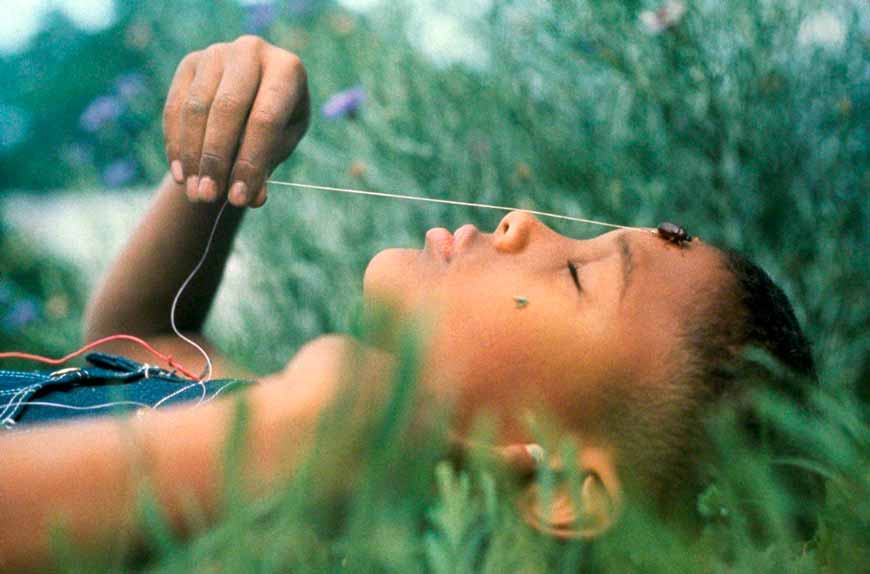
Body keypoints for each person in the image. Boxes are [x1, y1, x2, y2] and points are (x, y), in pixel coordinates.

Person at [0, 36, 817, 572]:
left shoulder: (291, 537)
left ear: (562, 489)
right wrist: (215, 171)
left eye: (577, 276)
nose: (520, 220)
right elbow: (138, 335)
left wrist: (282, 445)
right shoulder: (266, 415)